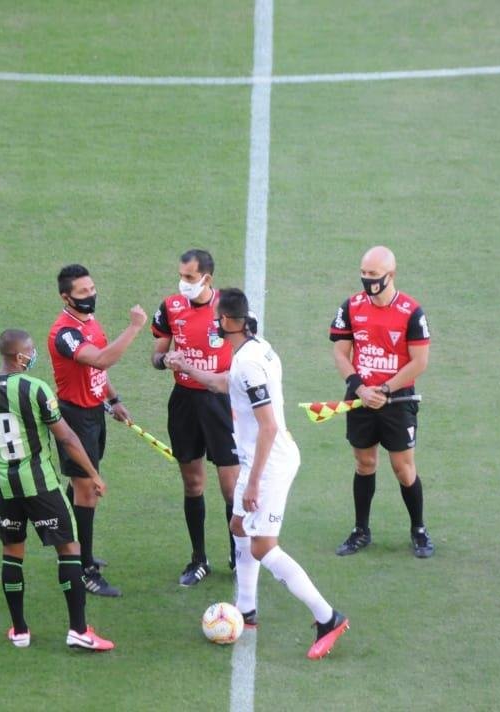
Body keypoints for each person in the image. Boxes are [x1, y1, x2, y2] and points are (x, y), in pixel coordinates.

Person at [168, 288, 349, 659]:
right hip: (259, 458)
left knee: (264, 546)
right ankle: (246, 610)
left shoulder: (248, 363)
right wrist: (186, 367)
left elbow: (266, 426)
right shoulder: (254, 348)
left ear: (231, 322)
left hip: (268, 465)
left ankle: (328, 617)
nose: (215, 323)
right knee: (239, 527)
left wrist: (252, 484)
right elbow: (224, 383)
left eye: (219, 318)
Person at [0, 329, 114, 649]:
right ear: (19, 356)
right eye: (31, 350)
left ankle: (19, 631)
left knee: (12, 552)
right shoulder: (36, 389)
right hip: (41, 484)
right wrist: (92, 473)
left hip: (5, 485)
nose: (34, 354)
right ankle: (78, 630)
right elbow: (67, 438)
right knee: (69, 550)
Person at [47, 264, 147, 597]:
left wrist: (113, 399)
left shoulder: (88, 322)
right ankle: (85, 570)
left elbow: (96, 375)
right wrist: (134, 328)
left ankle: (82, 554)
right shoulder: (65, 333)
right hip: (75, 419)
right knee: (87, 489)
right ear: (66, 297)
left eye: (92, 289)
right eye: (83, 292)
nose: (91, 295)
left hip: (94, 415)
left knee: (82, 490)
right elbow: (101, 360)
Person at [328, 246, 434, 558]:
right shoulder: (350, 307)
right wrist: (359, 388)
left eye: (373, 275)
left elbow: (420, 362)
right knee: (365, 464)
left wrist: (384, 390)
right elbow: (340, 352)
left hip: (397, 401)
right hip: (361, 399)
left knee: (403, 468)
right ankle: (361, 530)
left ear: (391, 275)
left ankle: (419, 530)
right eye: (364, 273)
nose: (367, 279)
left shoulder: (411, 312)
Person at [150, 249, 239, 586]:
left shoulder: (229, 308)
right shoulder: (170, 307)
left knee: (231, 488)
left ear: (207, 279)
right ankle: (198, 559)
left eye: (189, 277)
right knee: (193, 483)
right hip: (184, 402)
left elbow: (247, 353)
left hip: (221, 402)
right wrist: (165, 361)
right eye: (181, 276)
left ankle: (237, 556)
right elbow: (156, 355)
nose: (183, 283)